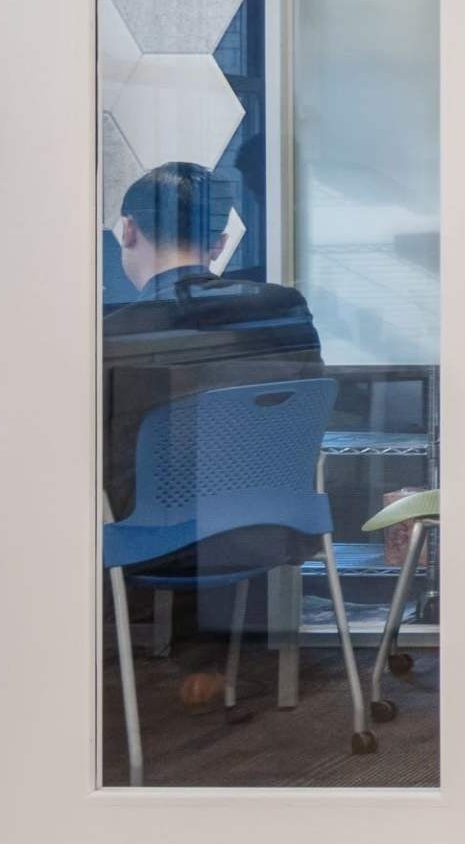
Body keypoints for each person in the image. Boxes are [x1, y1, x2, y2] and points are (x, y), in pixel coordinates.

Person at [104, 161, 326, 711]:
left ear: (128, 230)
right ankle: (203, 662)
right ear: (221, 241)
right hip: (274, 521)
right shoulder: (284, 310)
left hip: (161, 537)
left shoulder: (116, 333)